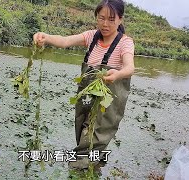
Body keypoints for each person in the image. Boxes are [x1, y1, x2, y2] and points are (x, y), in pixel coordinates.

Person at [33, 0, 134, 169]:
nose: (105, 24)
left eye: (111, 19)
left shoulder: (125, 42)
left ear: (120, 19)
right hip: (86, 97)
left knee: (94, 138)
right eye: (101, 18)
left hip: (107, 103)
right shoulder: (91, 36)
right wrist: (46, 37)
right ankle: (95, 166)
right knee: (82, 132)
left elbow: (130, 67)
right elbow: (65, 41)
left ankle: (79, 169)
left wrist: (118, 74)